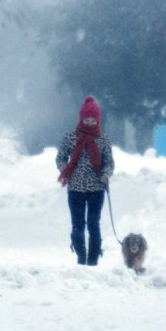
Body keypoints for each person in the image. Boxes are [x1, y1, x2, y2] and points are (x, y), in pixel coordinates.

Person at [55, 96, 115, 266]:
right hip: (75, 189)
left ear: (98, 119)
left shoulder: (103, 140)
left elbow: (108, 162)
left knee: (94, 224)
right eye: (87, 118)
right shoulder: (70, 138)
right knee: (77, 225)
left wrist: (106, 173)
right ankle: (81, 258)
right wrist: (65, 170)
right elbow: (60, 158)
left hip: (97, 189)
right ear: (81, 118)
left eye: (93, 118)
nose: (90, 122)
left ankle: (93, 261)